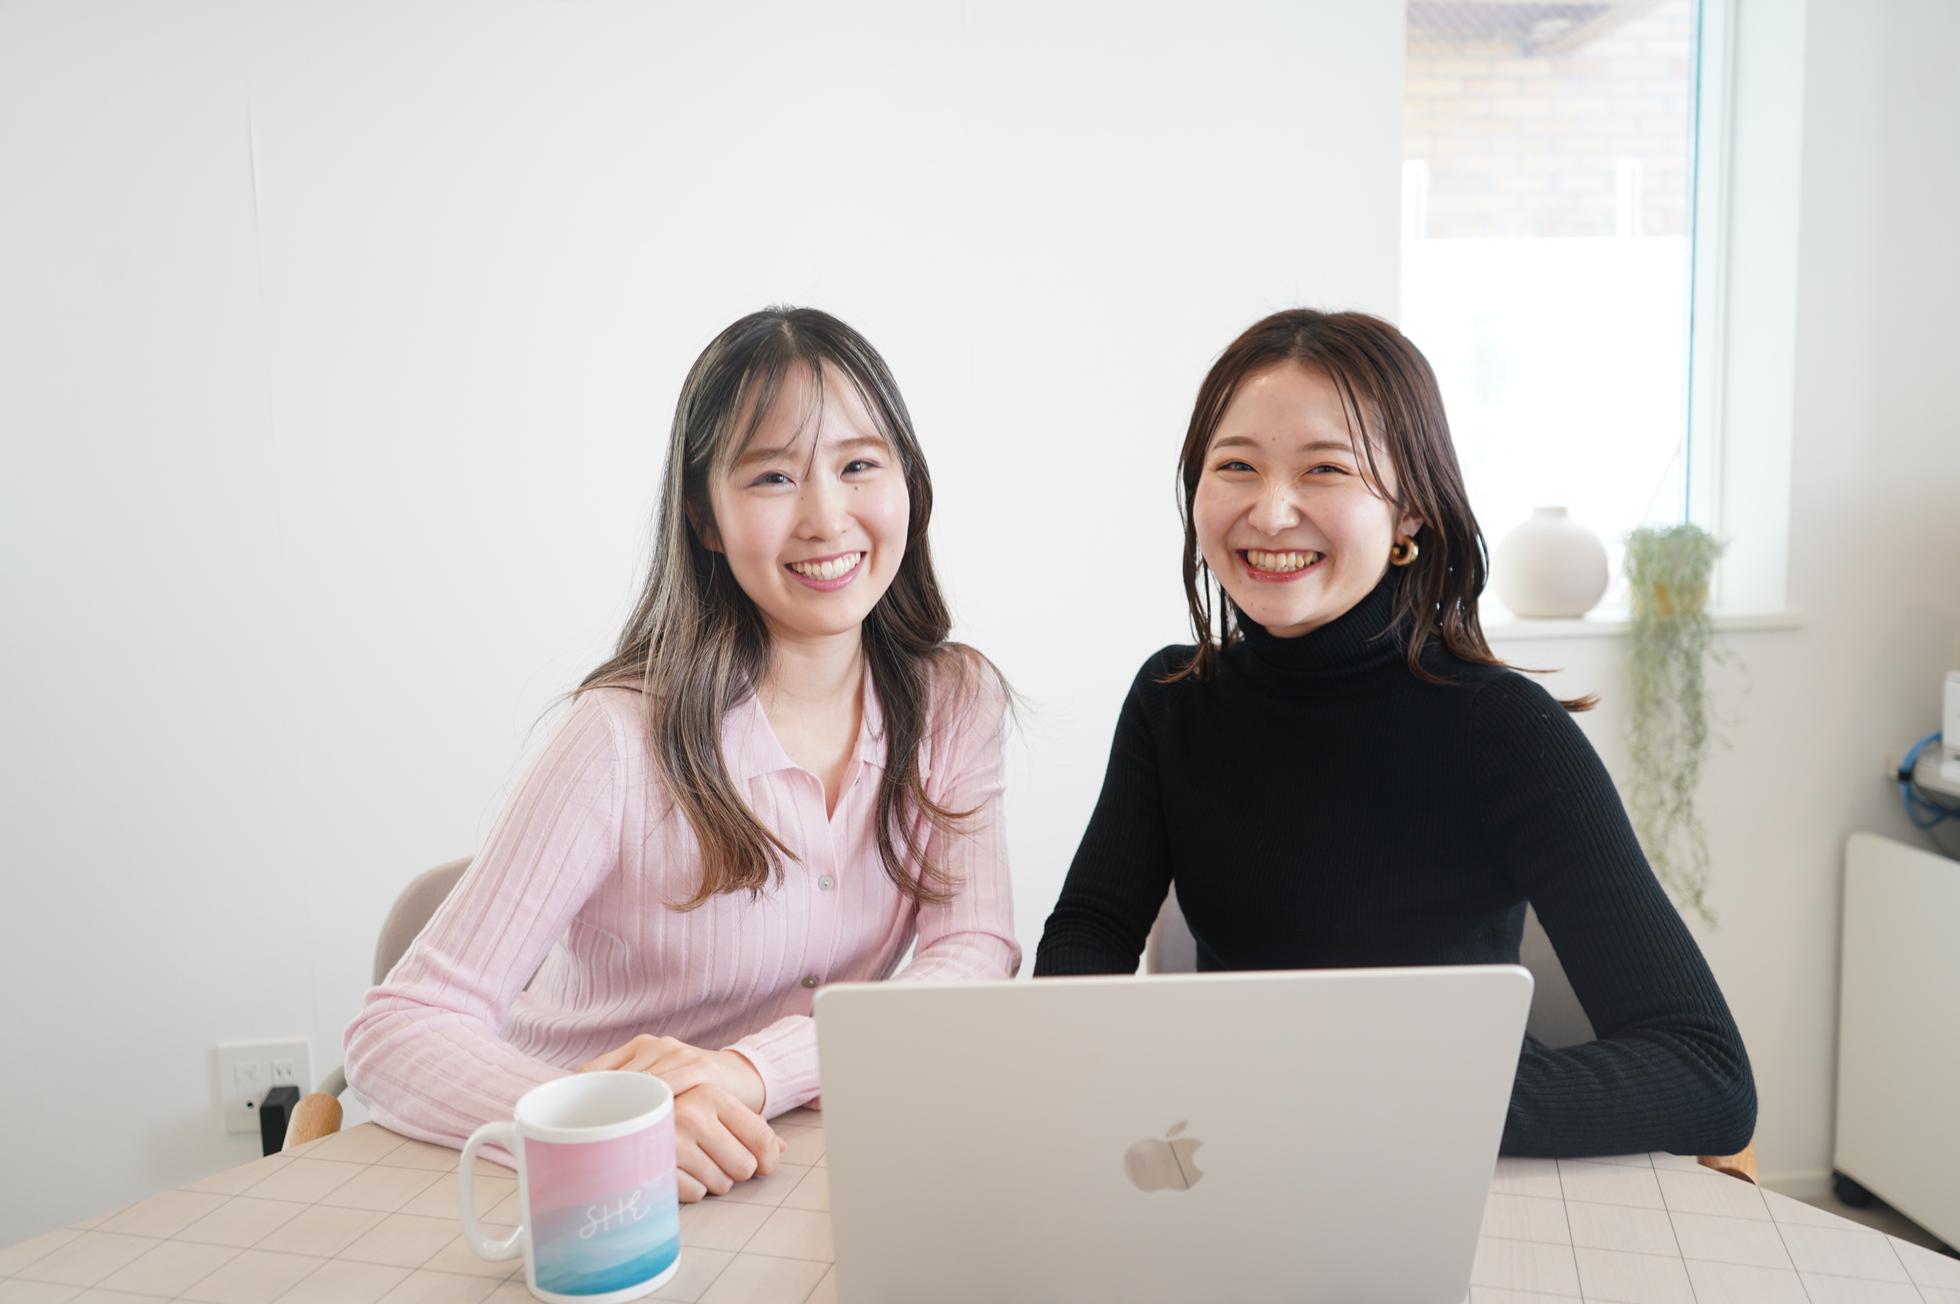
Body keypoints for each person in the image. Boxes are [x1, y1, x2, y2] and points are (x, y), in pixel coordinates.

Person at [1033, 308, 1755, 1158]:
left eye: (1325, 469)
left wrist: (1377, 1106)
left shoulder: (1503, 728)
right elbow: (1089, 931)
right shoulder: (1174, 700)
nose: (1271, 513)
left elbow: (1706, 1073)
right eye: (1236, 466)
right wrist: (1094, 1072)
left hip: (1442, 1160)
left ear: (1409, 510)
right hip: (1236, 1154)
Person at [346, 307, 1018, 1199]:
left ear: (909, 482)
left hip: (783, 1165)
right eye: (773, 476)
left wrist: (754, 1071)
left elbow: (972, 955)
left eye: (859, 465)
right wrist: (602, 1127)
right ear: (705, 518)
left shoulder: (954, 702)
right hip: (582, 1199)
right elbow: (398, 1029)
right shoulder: (618, 737)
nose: (826, 518)